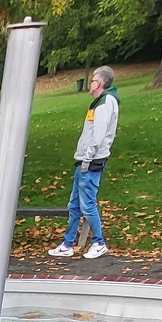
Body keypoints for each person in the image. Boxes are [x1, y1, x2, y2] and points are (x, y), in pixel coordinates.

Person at [50, 65, 118, 260]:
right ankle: (68, 244)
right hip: (84, 161)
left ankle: (99, 242)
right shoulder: (100, 102)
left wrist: (87, 158)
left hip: (92, 161)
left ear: (100, 82)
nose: (90, 83)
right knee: (74, 205)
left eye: (93, 80)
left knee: (87, 204)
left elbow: (98, 136)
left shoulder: (105, 102)